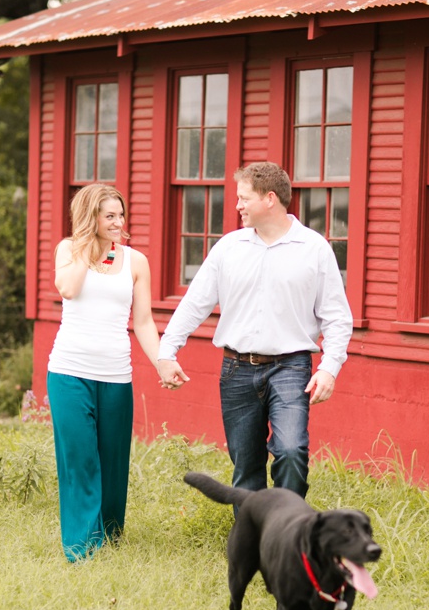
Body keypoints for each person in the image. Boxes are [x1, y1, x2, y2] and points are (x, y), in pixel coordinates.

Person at [157, 161, 353, 497]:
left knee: (291, 452)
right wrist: (167, 350)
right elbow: (195, 303)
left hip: (291, 367)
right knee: (245, 465)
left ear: (270, 199)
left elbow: (337, 317)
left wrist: (330, 368)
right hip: (236, 370)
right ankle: (251, 544)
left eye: (244, 198)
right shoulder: (229, 248)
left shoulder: (313, 248)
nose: (237, 206)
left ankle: (288, 535)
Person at [46, 184, 161, 562]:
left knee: (112, 461)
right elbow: (68, 288)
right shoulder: (68, 250)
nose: (118, 222)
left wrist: (162, 362)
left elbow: (142, 322)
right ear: (90, 217)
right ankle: (81, 548)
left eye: (120, 215)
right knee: (80, 456)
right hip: (69, 371)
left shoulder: (136, 262)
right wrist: (85, 247)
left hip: (115, 374)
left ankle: (109, 537)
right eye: (109, 215)